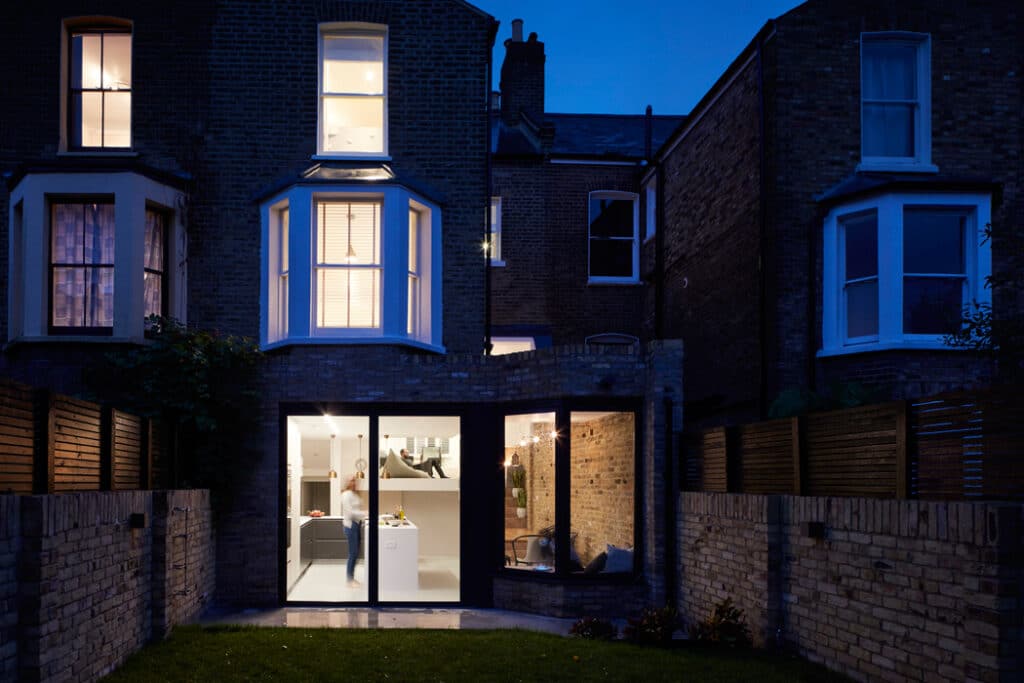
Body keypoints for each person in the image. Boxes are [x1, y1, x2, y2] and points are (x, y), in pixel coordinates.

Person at [341, 476, 366, 587]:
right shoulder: (346, 494)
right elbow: (350, 512)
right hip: (351, 526)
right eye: (351, 480)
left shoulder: (355, 494)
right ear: (347, 482)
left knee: (355, 553)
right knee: (353, 553)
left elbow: (358, 510)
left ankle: (351, 578)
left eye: (355, 481)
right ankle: (349, 580)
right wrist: (365, 513)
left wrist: (363, 516)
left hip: (357, 525)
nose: (354, 483)